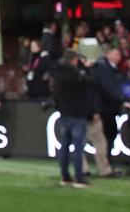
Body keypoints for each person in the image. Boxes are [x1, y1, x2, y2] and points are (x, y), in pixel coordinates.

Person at [51, 50, 91, 188]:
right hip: (78, 114)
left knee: (64, 147)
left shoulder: (58, 73)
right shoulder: (76, 73)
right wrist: (86, 68)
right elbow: (90, 82)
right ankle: (79, 178)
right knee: (78, 148)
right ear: (74, 60)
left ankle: (65, 176)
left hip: (64, 113)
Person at [92, 46, 130, 177]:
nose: (118, 58)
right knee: (106, 136)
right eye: (115, 55)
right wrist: (122, 100)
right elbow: (108, 87)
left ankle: (107, 164)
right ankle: (105, 166)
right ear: (108, 54)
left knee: (110, 135)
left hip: (109, 108)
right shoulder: (103, 68)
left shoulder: (110, 69)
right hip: (105, 109)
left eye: (119, 56)